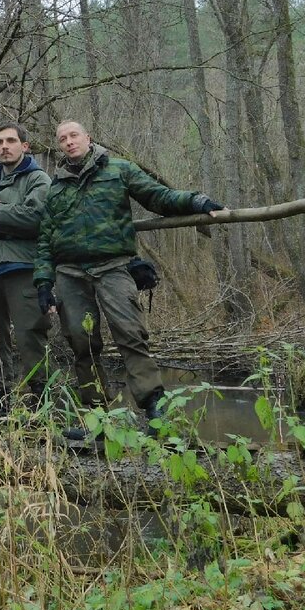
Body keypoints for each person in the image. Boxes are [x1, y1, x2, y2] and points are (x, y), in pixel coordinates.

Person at [34, 120, 225, 420]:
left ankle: (154, 407)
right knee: (81, 341)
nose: (69, 142)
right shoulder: (55, 187)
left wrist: (195, 200)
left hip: (113, 267)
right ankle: (96, 414)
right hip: (70, 273)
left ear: (88, 138)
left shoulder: (118, 170)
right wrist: (44, 282)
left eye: (74, 136)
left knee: (130, 334)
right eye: (62, 139)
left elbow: (157, 196)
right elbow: (45, 238)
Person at [0, 123, 51, 409]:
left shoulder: (38, 179)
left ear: (24, 146)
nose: (4, 146)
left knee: (29, 332)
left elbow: (36, 219)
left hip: (23, 265)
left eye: (10, 141)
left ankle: (41, 401)